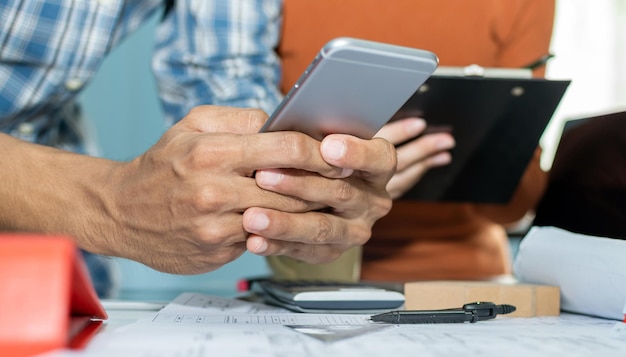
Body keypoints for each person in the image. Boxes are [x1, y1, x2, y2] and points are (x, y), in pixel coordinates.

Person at [0, 1, 397, 297]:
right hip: (69, 218)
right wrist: (108, 206)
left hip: (52, 274)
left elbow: (221, 72)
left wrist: (301, 177)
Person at [189, 0, 554, 282]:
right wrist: (354, 174)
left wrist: (489, 144)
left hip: (472, 282)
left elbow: (517, 204)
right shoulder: (254, 11)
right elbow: (252, 170)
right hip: (320, 272)